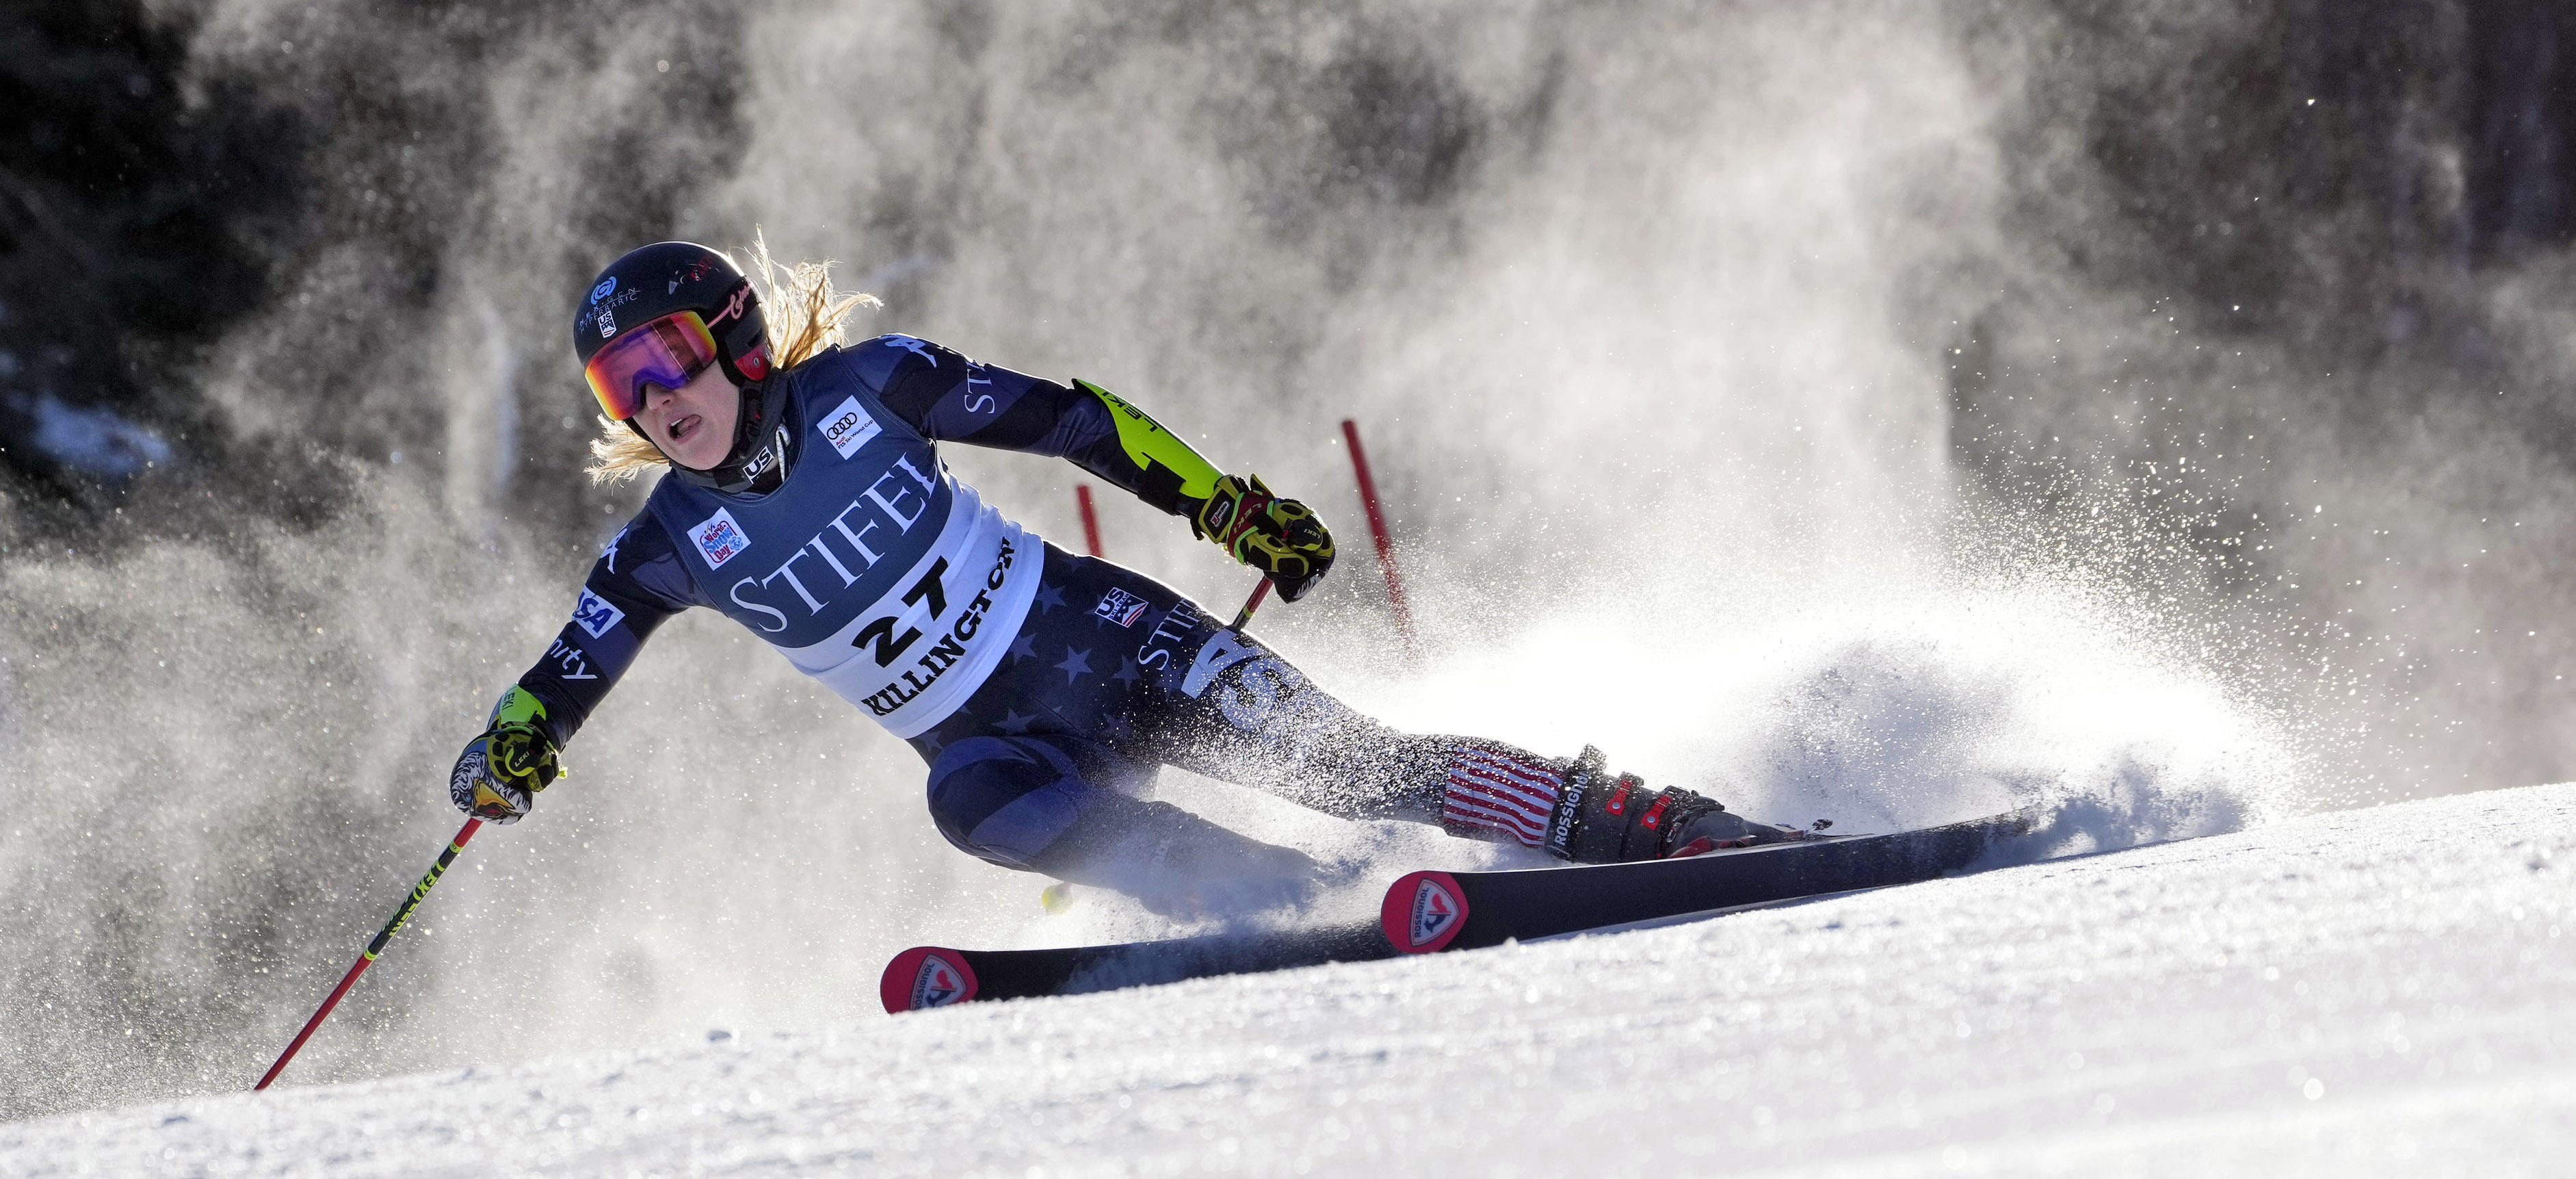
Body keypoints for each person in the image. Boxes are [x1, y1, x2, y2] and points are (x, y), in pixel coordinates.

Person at [451, 240, 1791, 917]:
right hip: (1001, 739)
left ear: (736, 340)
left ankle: (1636, 817)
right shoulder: (667, 543)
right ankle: (1291, 908)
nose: (653, 400)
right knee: (969, 803)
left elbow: (1074, 420)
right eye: (621, 385)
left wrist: (1224, 503)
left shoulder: (871, 385)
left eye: (668, 358)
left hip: (1110, 642)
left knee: (1354, 764)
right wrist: (513, 745)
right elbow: (574, 664)